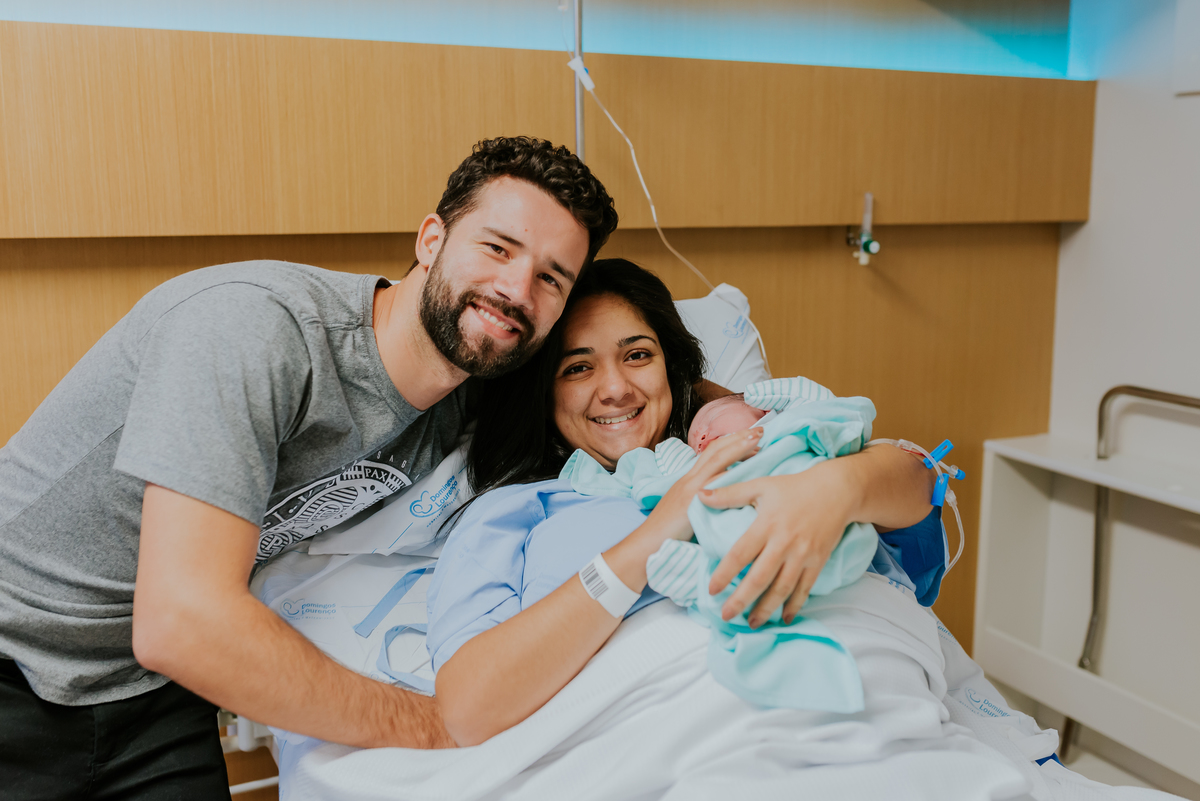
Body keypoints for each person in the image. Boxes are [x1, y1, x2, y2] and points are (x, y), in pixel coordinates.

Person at [0, 136, 617, 798]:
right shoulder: (256, 330)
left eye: (551, 277)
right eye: (498, 247)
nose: (516, 289)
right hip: (20, 655)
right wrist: (433, 723)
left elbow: (635, 369)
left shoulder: (473, 385)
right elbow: (181, 620)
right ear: (432, 239)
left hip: (152, 696)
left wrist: (719, 411)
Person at [428, 258, 940, 746]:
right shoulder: (516, 512)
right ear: (543, 394)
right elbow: (468, 707)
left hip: (860, 696)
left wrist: (838, 488)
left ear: (671, 369)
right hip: (663, 727)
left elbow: (919, 489)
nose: (615, 389)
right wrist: (658, 532)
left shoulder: (759, 445)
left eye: (637, 356)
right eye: (577, 368)